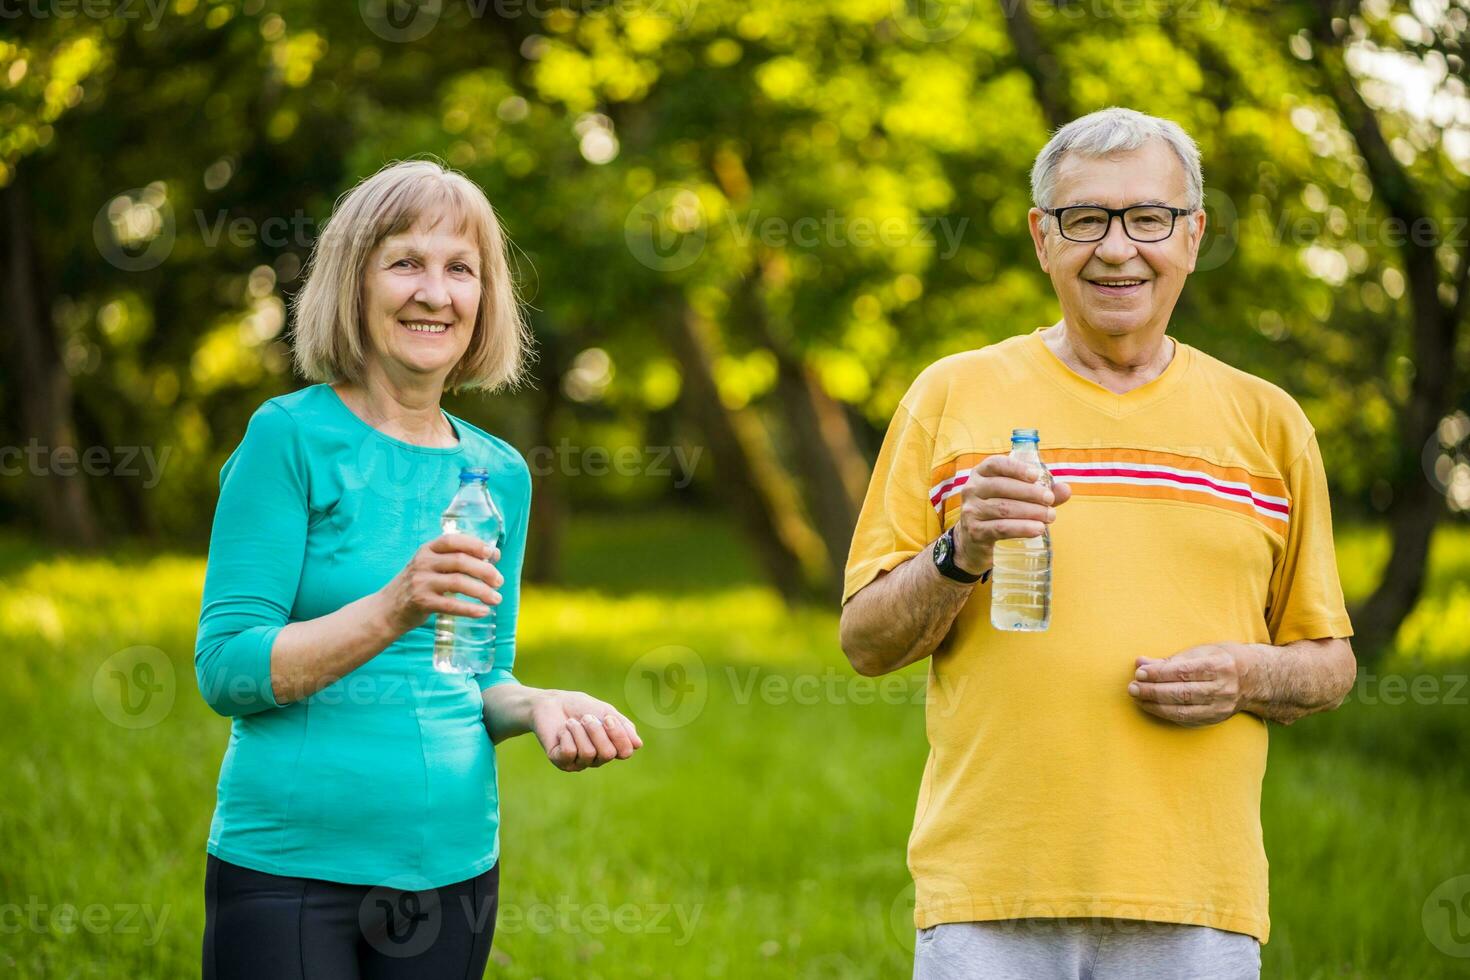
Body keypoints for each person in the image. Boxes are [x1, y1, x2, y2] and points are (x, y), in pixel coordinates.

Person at [840, 108, 1356, 979]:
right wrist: (959, 549)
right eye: (1086, 220)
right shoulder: (951, 396)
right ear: (1043, 238)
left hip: (1197, 904)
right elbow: (865, 642)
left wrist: (1247, 674)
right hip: (991, 902)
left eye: (1148, 218)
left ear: (1193, 236)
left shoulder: (1270, 423)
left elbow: (1329, 662)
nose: (1118, 249)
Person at [194, 159, 643, 979]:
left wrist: (540, 704)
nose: (434, 292)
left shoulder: (498, 474)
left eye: (460, 269)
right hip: (290, 870)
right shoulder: (287, 439)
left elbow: (478, 673)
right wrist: (392, 606)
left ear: (485, 298)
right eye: (405, 262)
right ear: (353, 284)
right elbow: (226, 671)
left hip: (453, 872)